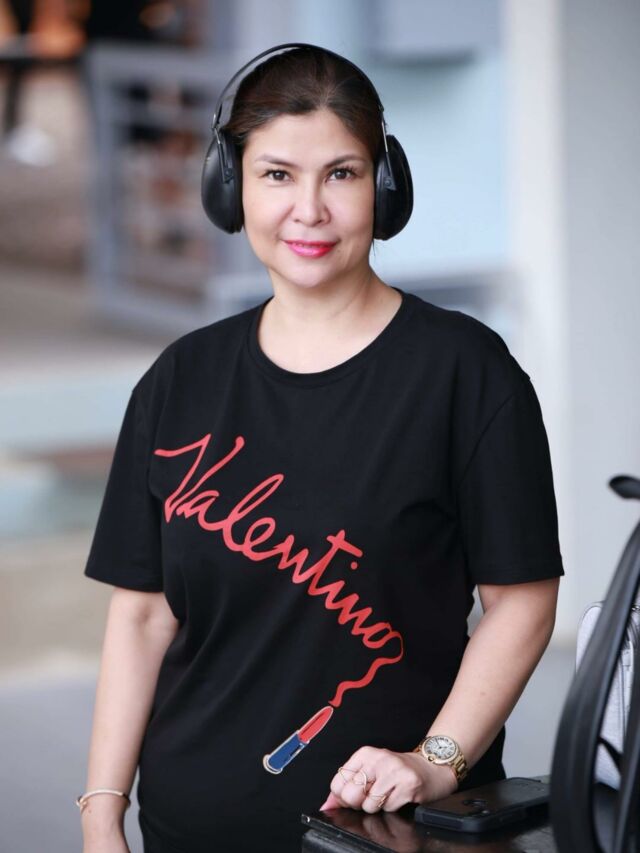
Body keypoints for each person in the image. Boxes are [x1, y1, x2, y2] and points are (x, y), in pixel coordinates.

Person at [78, 43, 565, 853]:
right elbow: (141, 615)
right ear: (230, 186)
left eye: (341, 173)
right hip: (187, 827)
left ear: (384, 186)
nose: (309, 209)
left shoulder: (466, 372)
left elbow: (522, 602)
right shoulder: (179, 379)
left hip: (390, 833)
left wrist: (436, 760)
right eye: (277, 174)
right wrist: (101, 815)